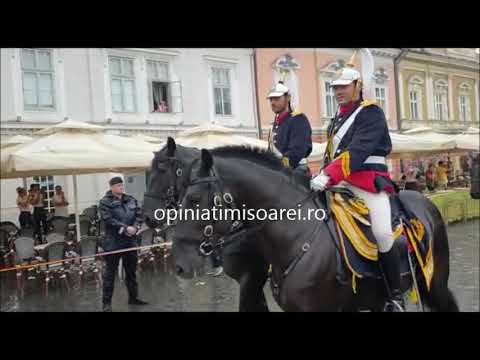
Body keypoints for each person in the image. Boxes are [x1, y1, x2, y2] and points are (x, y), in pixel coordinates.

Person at [310, 49, 404, 311]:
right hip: (339, 182)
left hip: (368, 183)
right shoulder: (336, 120)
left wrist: (328, 175)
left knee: (383, 233)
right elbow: (332, 153)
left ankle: (394, 295)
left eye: (343, 87)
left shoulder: (371, 113)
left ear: (357, 86)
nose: (338, 92)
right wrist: (320, 174)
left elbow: (358, 151)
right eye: (335, 87)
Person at [98, 176, 148, 312]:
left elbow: (139, 215)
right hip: (113, 242)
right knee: (110, 275)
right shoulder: (104, 202)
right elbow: (108, 219)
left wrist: (136, 227)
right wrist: (125, 228)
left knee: (131, 272)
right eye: (118, 185)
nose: (121, 187)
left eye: (122, 185)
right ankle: (106, 304)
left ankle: (133, 297)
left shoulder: (130, 199)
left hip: (129, 242)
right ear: (112, 187)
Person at [266, 82, 313, 179]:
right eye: (271, 99)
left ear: (288, 98)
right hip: (279, 171)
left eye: (277, 98)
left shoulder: (298, 119)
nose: (273, 102)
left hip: (296, 171)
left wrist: (278, 168)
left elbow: (297, 151)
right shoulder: (276, 123)